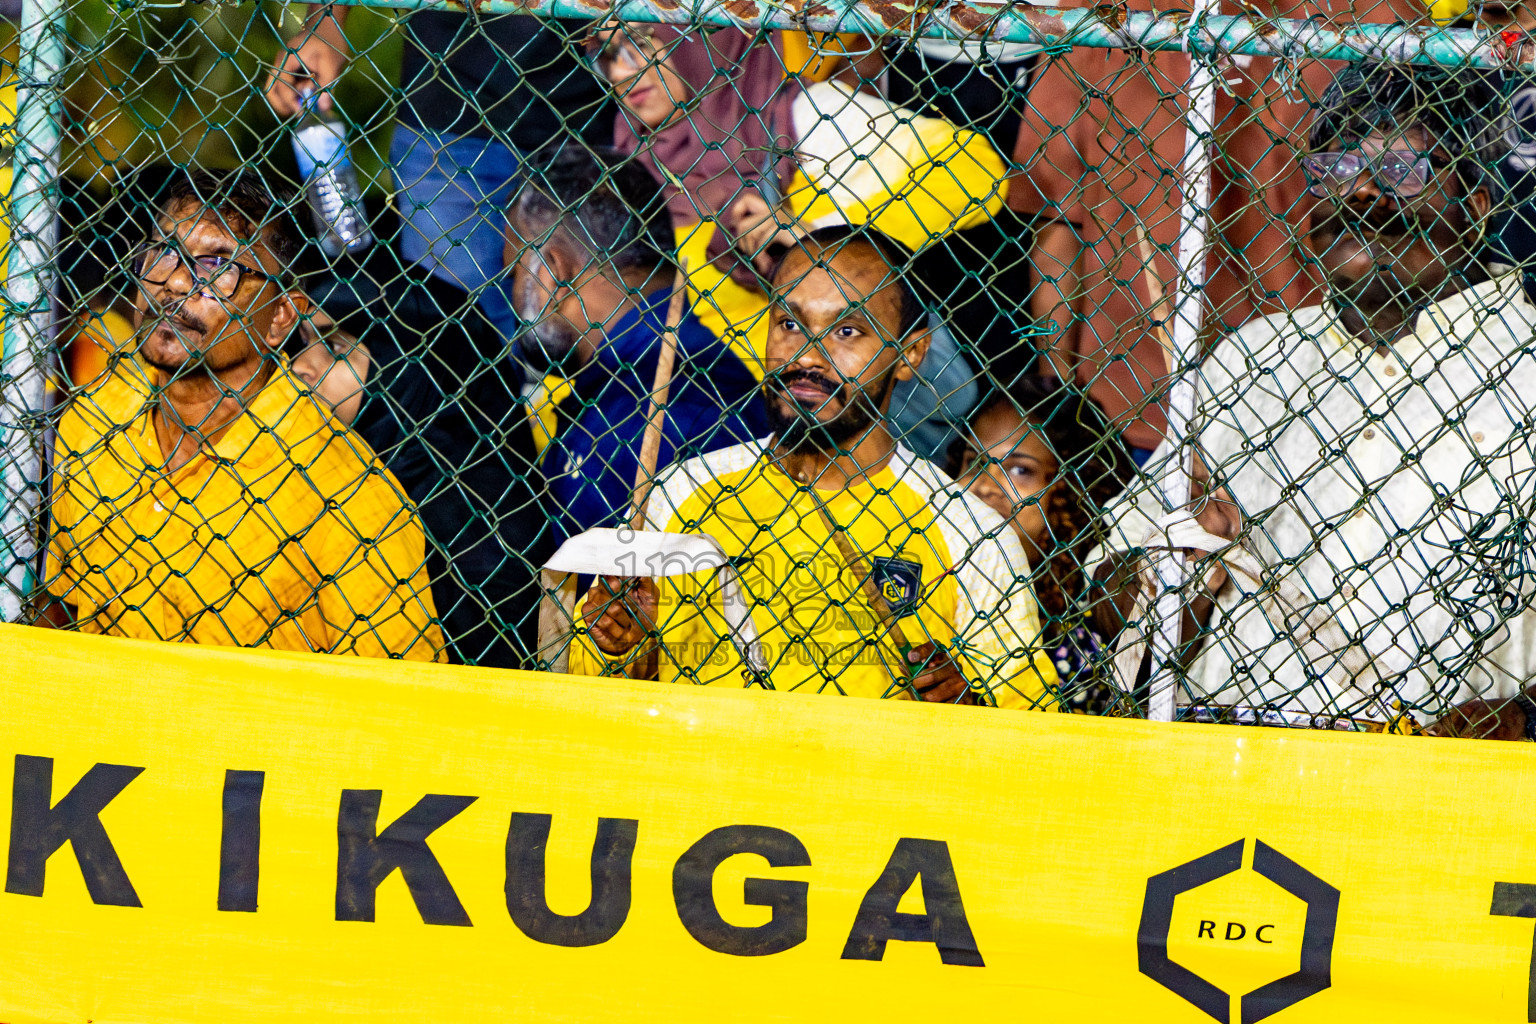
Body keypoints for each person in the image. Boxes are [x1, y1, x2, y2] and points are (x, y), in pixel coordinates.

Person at [1089, 63, 1534, 731]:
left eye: (1402, 174)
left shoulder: (1525, 365)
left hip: (1458, 787)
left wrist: (1517, 723)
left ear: (1474, 208)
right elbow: (1108, 596)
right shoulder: (1252, 359)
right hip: (1234, 757)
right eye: (1334, 171)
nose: (1360, 194)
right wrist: (1171, 569)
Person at [573, 226, 1059, 708]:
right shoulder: (681, 493)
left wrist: (967, 708)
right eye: (789, 322)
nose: (807, 355)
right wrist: (620, 646)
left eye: (847, 331)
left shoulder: (966, 532)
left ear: (910, 353)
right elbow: (591, 685)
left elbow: (1030, 723)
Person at [40, 169, 444, 660]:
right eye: (165, 250)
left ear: (279, 318)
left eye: (217, 266)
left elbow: (398, 705)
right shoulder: (95, 417)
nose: (175, 281)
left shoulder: (345, 493)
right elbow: (61, 606)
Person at [1008, 0, 1429, 459]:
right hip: (1122, 411)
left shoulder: (1383, 16)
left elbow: (1425, 211)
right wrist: (1060, 405)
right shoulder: (1105, 11)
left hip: (1311, 404)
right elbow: (1060, 216)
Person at [593, 24, 1006, 456]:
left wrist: (817, 242)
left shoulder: (800, 114)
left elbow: (975, 171)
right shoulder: (624, 170)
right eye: (604, 56)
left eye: (638, 45)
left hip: (877, 425)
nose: (621, 72)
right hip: (732, 435)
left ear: (691, 34)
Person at [264, 3, 613, 340]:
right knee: (457, 344)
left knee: (595, 344)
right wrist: (325, 21)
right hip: (447, 110)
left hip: (594, 113)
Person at [295, 250, 552, 668]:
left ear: (408, 368)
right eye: (305, 344)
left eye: (336, 347)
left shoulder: (479, 538)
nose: (301, 367)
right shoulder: (346, 468)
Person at [505, 148, 767, 544]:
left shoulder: (650, 417)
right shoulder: (693, 371)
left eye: (513, 273)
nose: (510, 297)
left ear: (552, 273)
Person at [947, 378, 1133, 711]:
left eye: (1019, 470)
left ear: (1075, 490)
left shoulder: (1096, 600)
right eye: (974, 462)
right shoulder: (933, 573)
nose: (985, 486)